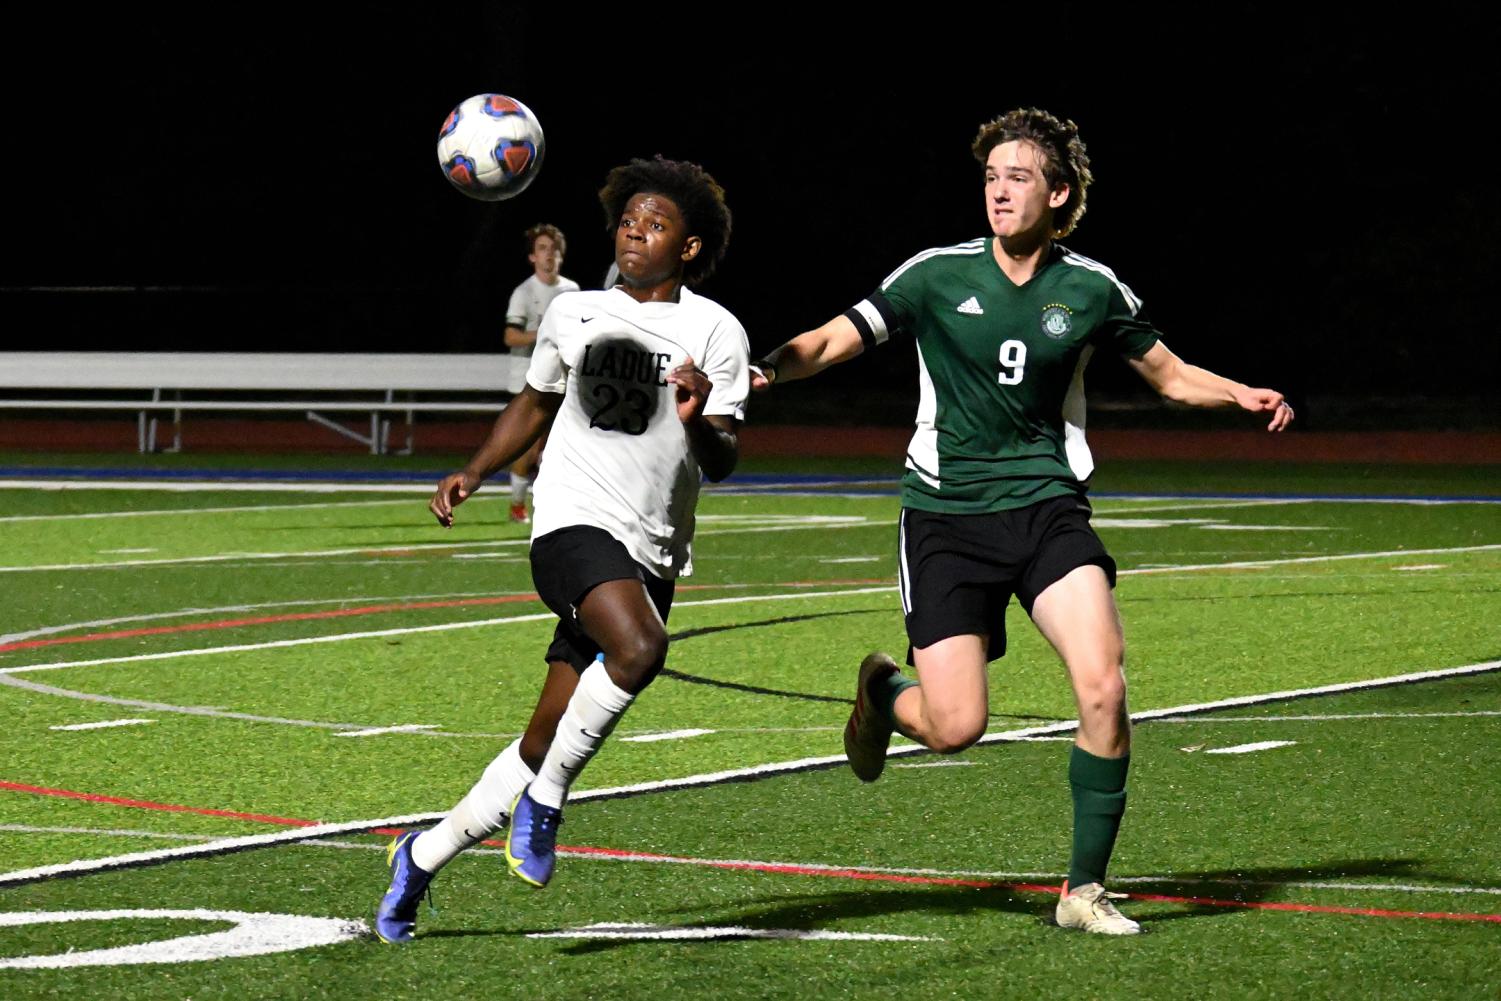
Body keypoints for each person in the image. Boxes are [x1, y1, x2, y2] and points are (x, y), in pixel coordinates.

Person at [750, 108, 1293, 935]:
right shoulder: (934, 273)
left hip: (1046, 507)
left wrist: (1239, 392)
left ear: (1059, 193)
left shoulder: (1090, 288)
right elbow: (833, 340)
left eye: (1018, 177)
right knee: (954, 726)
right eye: (991, 176)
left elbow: (1171, 375)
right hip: (944, 515)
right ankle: (879, 690)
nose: (998, 190)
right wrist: (762, 372)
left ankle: (1081, 890)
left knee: (1104, 685)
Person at [376, 156, 746, 943]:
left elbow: (723, 460)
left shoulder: (716, 331)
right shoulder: (573, 311)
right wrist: (476, 469)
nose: (635, 231)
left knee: (543, 733)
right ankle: (547, 804)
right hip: (570, 524)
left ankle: (422, 854)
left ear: (689, 246)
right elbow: (536, 399)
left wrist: (697, 417)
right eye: (627, 220)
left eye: (656, 223)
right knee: (642, 646)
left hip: (649, 548)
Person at [503, 223, 580, 522]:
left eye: (554, 249)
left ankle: (548, 507)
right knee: (530, 444)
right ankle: (517, 504)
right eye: (542, 249)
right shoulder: (523, 292)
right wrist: (545, 334)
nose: (549, 255)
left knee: (559, 445)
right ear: (532, 257)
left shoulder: (571, 290)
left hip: (563, 378)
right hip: (527, 379)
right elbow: (510, 337)